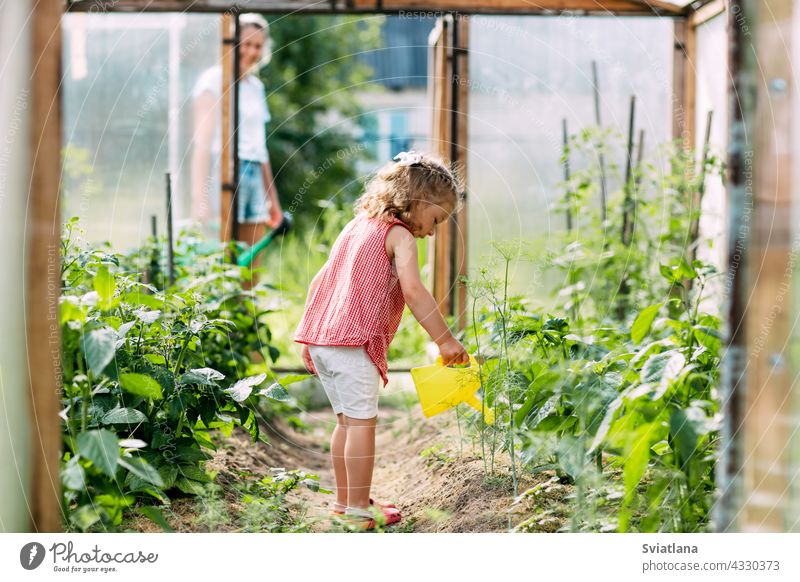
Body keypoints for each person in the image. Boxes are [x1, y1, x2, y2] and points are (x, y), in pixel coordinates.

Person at [293, 150, 470, 530]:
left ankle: (345, 502)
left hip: (326, 337)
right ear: (417, 202)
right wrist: (445, 341)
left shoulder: (358, 224)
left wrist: (309, 335)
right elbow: (415, 291)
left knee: (346, 424)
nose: (434, 231)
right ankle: (358, 509)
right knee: (362, 427)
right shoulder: (400, 235)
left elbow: (320, 279)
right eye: (436, 219)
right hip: (353, 342)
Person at [190, 13, 283, 269]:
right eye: (246, 44)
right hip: (222, 172)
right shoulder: (212, 81)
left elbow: (260, 150)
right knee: (221, 259)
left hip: (253, 174)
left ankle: (247, 307)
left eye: (257, 46)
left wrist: (273, 202)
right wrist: (200, 196)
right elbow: (201, 142)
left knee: (251, 258)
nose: (252, 52)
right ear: (231, 43)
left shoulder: (255, 87)